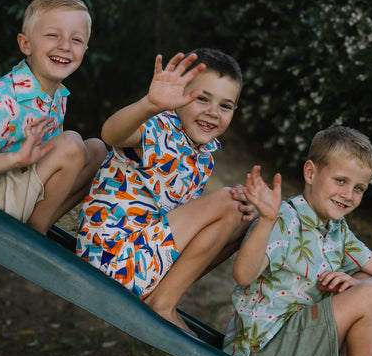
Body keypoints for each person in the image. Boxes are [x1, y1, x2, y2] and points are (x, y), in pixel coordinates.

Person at [223, 126, 372, 356]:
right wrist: (266, 220)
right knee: (371, 295)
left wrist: (362, 284)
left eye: (359, 188)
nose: (348, 195)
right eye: (341, 181)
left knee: (365, 279)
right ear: (310, 173)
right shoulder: (284, 218)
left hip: (294, 346)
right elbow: (243, 276)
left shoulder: (338, 231)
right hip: (264, 354)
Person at [77, 49, 256, 333]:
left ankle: (164, 293)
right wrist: (149, 105)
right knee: (228, 203)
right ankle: (163, 303)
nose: (213, 112)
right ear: (178, 94)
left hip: (143, 255)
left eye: (225, 106)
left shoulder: (203, 154)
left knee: (245, 217)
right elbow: (111, 134)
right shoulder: (159, 127)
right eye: (202, 99)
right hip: (111, 259)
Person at [0, 0, 107, 234]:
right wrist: (16, 159)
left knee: (97, 150)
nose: (65, 46)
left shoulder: (57, 96)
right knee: (72, 144)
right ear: (25, 44)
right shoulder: (4, 98)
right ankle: (35, 233)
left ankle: (41, 223)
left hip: (16, 186)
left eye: (76, 40)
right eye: (53, 35)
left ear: (85, 49)